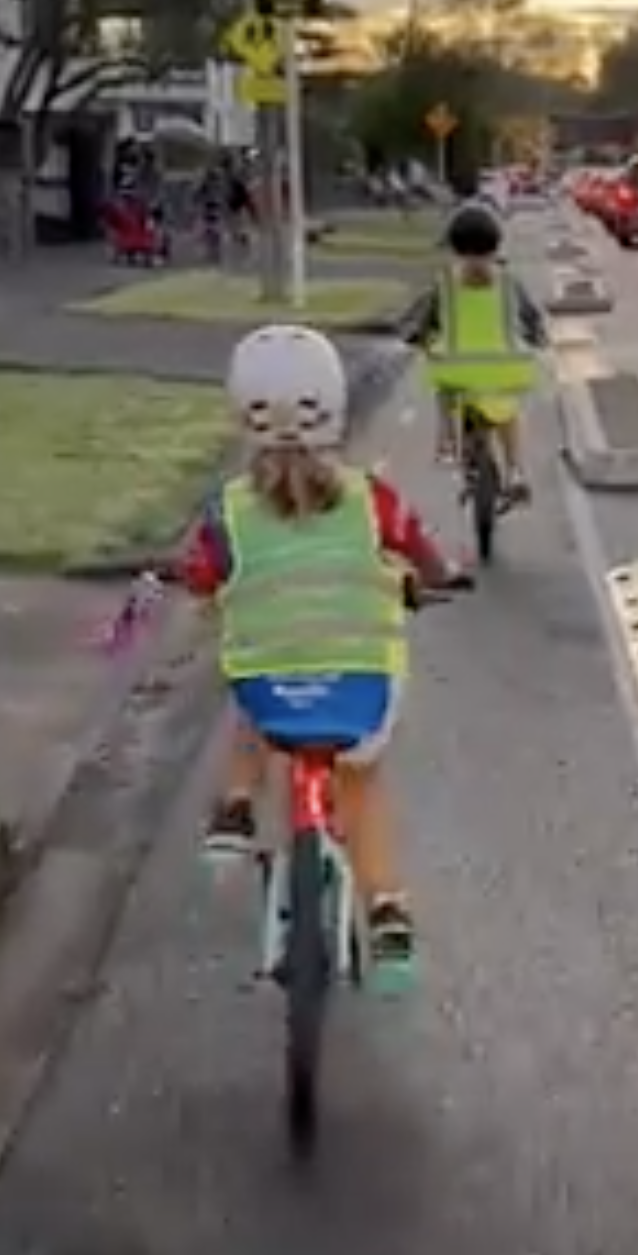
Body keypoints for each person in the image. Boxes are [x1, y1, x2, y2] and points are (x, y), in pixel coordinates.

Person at [180, 323, 466, 974]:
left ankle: (234, 810)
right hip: (360, 690)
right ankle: (387, 912)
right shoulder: (374, 500)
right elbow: (422, 553)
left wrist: (200, 585)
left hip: (272, 688)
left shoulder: (227, 512)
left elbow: (201, 575)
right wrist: (440, 575)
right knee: (361, 783)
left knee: (252, 697)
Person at [398, 200, 547, 495]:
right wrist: (536, 338)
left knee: (443, 387)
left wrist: (417, 337)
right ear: (495, 246)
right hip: (506, 368)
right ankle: (516, 471)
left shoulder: (444, 286)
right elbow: (531, 319)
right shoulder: (509, 283)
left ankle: (447, 443)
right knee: (507, 412)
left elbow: (418, 321)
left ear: (454, 248)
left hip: (456, 368)